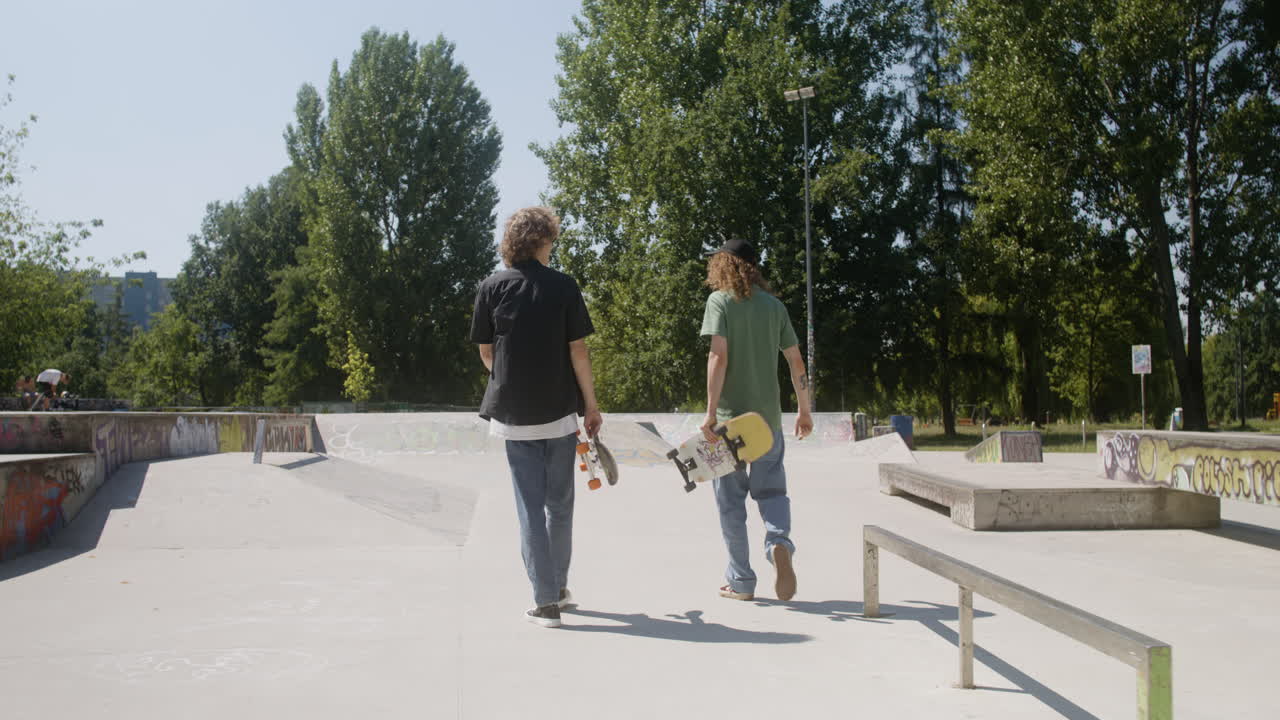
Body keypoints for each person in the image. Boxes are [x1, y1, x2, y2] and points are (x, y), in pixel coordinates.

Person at [470, 206, 602, 629]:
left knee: (529, 507)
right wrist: (592, 405)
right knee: (559, 506)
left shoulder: (492, 287)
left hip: (514, 416)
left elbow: (486, 351)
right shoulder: (564, 286)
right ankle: (557, 589)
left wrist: (509, 380)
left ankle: (547, 600)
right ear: (543, 240)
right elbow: (577, 352)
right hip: (560, 414)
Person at [699, 238, 813, 602]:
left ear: (724, 265)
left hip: (731, 425)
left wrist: (711, 412)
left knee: (730, 504)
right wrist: (805, 410)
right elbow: (796, 362)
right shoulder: (775, 307)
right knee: (773, 492)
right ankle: (779, 543)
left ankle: (742, 582)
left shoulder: (720, 302)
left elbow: (718, 357)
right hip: (766, 423)